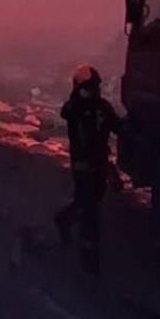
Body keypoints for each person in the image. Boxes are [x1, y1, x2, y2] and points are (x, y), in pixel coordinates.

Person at [56, 65, 122, 274]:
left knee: (90, 201)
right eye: (90, 88)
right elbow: (66, 111)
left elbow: (118, 126)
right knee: (90, 213)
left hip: (101, 165)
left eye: (97, 87)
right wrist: (80, 101)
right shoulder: (75, 109)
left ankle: (64, 219)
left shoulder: (103, 108)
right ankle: (88, 260)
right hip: (83, 167)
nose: (95, 91)